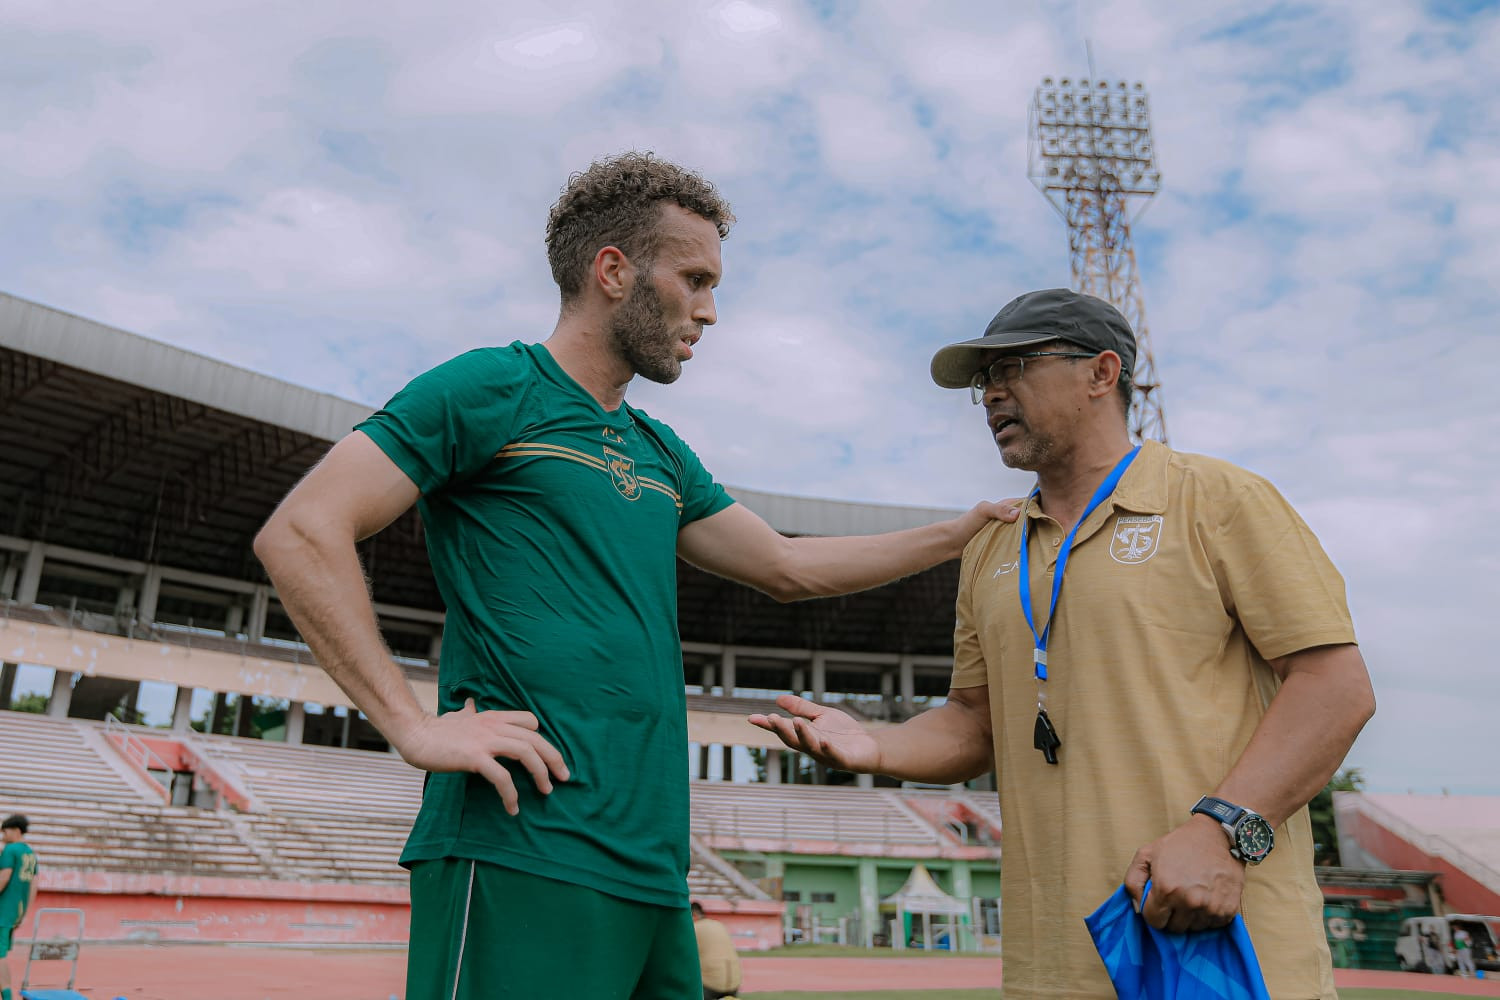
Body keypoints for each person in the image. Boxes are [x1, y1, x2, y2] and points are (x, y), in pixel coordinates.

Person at [253, 152, 1015, 1000]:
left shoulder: (659, 450)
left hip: (654, 866)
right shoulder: (491, 387)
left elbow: (788, 566)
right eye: (694, 279)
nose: (710, 311)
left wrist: (959, 533)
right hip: (524, 844)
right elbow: (302, 530)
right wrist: (411, 724)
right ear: (613, 271)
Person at [750, 288, 1377, 999]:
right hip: (1053, 965)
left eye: (1011, 367)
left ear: (1101, 374)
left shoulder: (1219, 499)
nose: (990, 395)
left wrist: (1222, 830)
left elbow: (1335, 688)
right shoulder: (993, 547)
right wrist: (878, 746)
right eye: (983, 381)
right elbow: (972, 722)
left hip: (1221, 949)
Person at [0, 814, 38, 1000]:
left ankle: (7, 997)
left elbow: (4, 877)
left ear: (15, 830)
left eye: (4, 831)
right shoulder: (30, 854)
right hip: (15, 912)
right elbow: (33, 885)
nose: (3, 836)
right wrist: (24, 914)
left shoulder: (10, 850)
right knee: (1, 956)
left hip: (2, 911)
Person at [691, 901, 742, 1000]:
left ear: (694, 914)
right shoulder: (719, 925)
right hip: (735, 982)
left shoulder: (695, 928)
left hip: (711, 985)